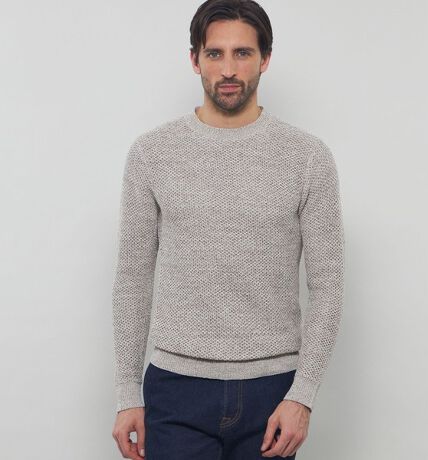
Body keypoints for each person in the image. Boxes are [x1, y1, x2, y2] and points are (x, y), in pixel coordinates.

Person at [111, 1, 345, 459]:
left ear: (265, 59)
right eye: (214, 53)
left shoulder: (307, 157)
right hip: (175, 388)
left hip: (273, 391)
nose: (229, 68)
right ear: (195, 59)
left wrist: (303, 395)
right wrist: (126, 393)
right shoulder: (152, 154)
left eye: (243, 53)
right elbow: (132, 280)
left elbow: (328, 284)